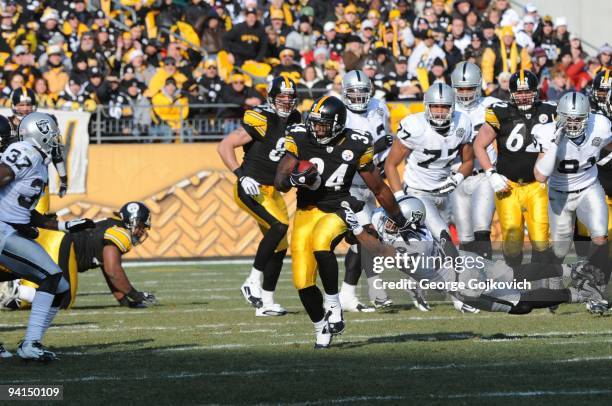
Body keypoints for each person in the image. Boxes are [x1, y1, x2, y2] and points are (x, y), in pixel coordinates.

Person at [274, 95, 412, 348]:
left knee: (320, 242)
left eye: (323, 124)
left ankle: (334, 303)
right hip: (307, 210)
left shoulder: (356, 143)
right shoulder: (301, 136)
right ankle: (320, 327)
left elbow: (379, 188)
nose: (316, 129)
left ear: (337, 124)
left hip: (340, 207)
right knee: (302, 280)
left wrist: (399, 219)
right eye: (314, 123)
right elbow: (280, 181)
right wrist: (293, 180)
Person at [372, 196, 607, 316]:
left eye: (395, 223)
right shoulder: (416, 221)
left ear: (409, 224)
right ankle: (572, 270)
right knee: (515, 273)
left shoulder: (415, 245)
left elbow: (381, 250)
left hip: (462, 280)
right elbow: (443, 235)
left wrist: (358, 231)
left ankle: (578, 294)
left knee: (520, 305)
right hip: (465, 262)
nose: (388, 225)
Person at [0, 112, 94, 361]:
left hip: (11, 230)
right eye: (51, 134)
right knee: (51, 276)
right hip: (3, 231)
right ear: (38, 134)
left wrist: (64, 226)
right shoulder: (25, 151)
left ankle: (31, 342)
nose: (55, 139)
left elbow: (27, 213)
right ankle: (31, 345)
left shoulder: (39, 163)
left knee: (61, 288)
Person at [385, 83, 479, 313]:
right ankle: (460, 296)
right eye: (435, 106)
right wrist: (400, 198)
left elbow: (468, 161)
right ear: (427, 107)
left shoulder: (462, 122)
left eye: (444, 107)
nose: (439, 112)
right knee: (446, 240)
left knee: (434, 249)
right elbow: (391, 164)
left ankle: (416, 282)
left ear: (452, 107)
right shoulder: (415, 126)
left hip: (445, 191)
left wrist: (456, 179)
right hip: (417, 193)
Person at [217, 77, 300, 316]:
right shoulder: (260, 117)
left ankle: (266, 303)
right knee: (279, 227)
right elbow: (224, 146)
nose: (286, 101)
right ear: (271, 97)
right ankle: (252, 281)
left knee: (281, 244)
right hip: (250, 187)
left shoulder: (295, 119)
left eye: (290, 97)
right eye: (281, 96)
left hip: (272, 191)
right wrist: (242, 176)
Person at [533, 92, 611, 314]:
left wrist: (604, 158)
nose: (573, 123)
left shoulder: (601, 126)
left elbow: (608, 145)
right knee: (560, 247)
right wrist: (554, 144)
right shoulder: (546, 132)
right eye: (568, 118)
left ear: (587, 117)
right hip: (559, 193)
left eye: (578, 118)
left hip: (589, 187)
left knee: (600, 237)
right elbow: (539, 176)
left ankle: (593, 292)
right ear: (559, 116)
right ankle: (555, 282)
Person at [0, 202, 157, 310]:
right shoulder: (121, 233)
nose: (142, 232)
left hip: (59, 241)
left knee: (52, 290)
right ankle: (17, 292)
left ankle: (14, 296)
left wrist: (125, 301)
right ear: (133, 221)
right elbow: (112, 270)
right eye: (142, 226)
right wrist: (136, 294)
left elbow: (107, 269)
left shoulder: (112, 226)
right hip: (65, 244)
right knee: (63, 301)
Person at [474, 70, 557, 266]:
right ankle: (516, 279)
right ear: (511, 93)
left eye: (527, 91)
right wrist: (490, 173)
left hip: (537, 185)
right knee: (511, 242)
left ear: (535, 91)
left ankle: (540, 281)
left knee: (541, 239)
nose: (524, 95)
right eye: (519, 92)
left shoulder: (549, 110)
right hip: (508, 184)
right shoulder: (500, 111)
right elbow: (479, 145)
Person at [339, 70, 393, 312]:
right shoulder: (339, 113)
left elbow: (388, 143)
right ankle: (367, 289)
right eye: (353, 93)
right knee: (364, 236)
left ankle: (358, 292)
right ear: (344, 92)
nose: (359, 98)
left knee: (365, 239)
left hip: (373, 182)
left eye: (363, 92)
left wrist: (383, 163)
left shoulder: (380, 107)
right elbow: (342, 154)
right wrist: (373, 148)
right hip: (348, 183)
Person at [450, 62, 500, 260]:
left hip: (484, 174)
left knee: (482, 229)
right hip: (457, 176)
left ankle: (485, 280)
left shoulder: (491, 105)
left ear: (478, 85)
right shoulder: (446, 108)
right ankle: (470, 282)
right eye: (460, 88)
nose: (465, 93)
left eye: (469, 88)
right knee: (465, 238)